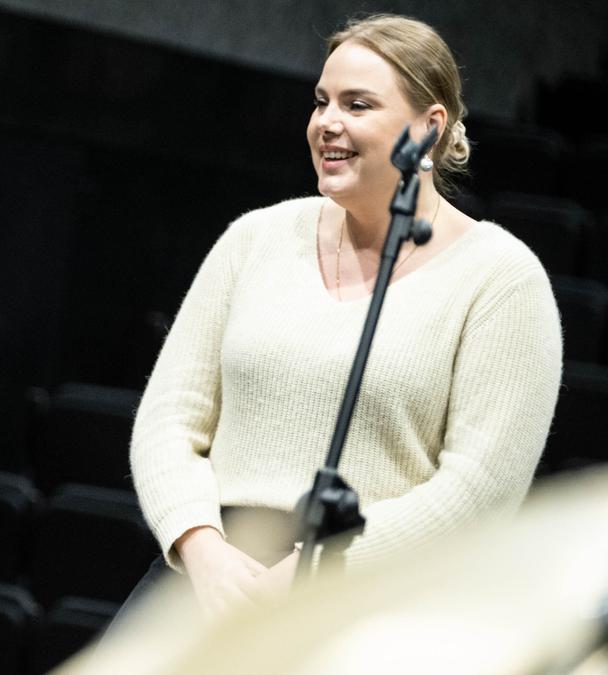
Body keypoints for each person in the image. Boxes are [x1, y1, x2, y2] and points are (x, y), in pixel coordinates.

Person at [126, 14, 562, 619]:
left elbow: (478, 493)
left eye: (357, 105)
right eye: (321, 101)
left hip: (369, 598)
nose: (327, 122)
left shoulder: (501, 279)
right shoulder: (254, 238)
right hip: (210, 578)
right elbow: (169, 421)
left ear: (428, 127)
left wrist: (314, 570)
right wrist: (201, 548)